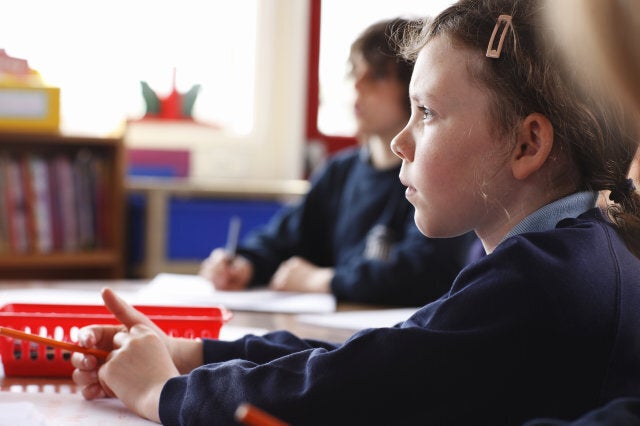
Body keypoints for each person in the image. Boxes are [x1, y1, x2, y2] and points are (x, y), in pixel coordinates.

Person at [71, 1, 640, 424]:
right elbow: (388, 351)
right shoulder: (575, 251)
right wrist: (193, 352)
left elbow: (358, 385)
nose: (400, 141)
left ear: (526, 145)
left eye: (426, 112)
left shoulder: (544, 278)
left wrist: (164, 395)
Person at [198, 17, 477, 306]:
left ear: (414, 85)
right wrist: (245, 264)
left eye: (378, 75)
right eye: (356, 72)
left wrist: (324, 281)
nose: (358, 85)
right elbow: (286, 238)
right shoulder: (338, 173)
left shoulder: (434, 176)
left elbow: (425, 272)